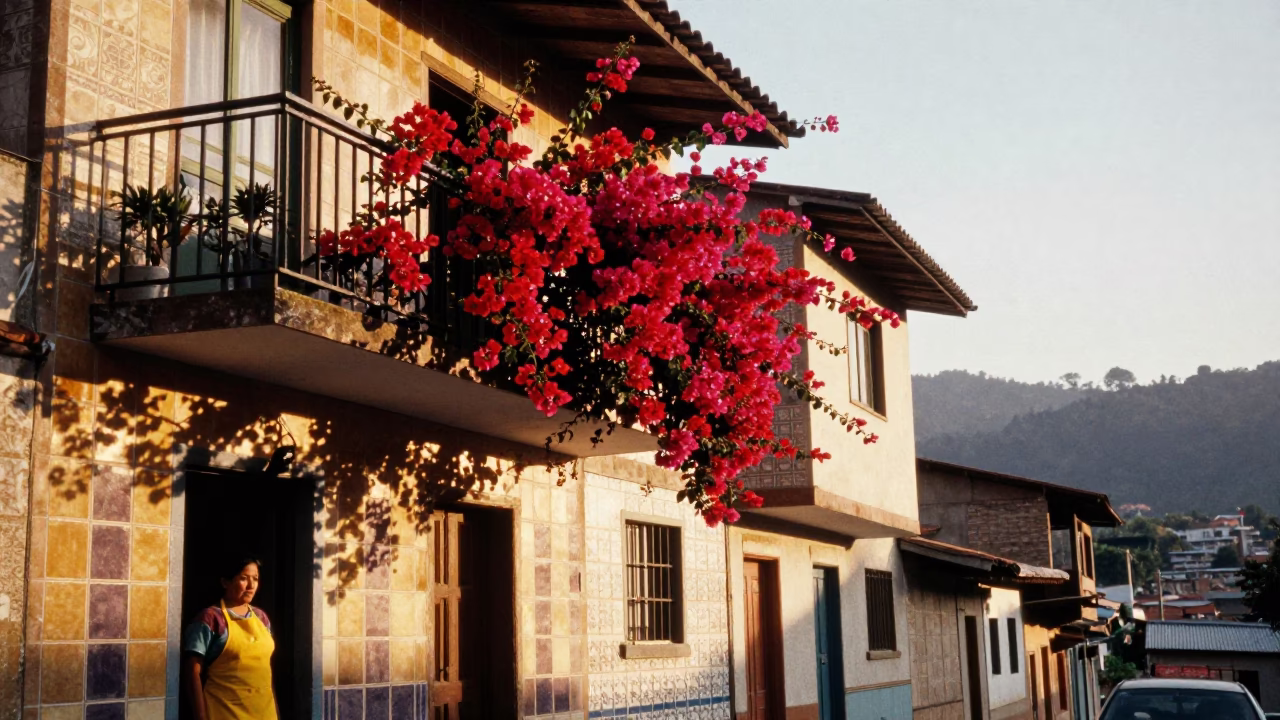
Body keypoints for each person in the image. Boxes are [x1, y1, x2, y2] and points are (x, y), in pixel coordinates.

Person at [181, 557, 277, 720]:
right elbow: (192, 672)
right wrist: (201, 716)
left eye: (255, 579)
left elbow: (265, 670)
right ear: (225, 582)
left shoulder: (261, 618)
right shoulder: (210, 619)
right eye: (243, 578)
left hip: (265, 712)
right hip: (225, 712)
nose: (251, 586)